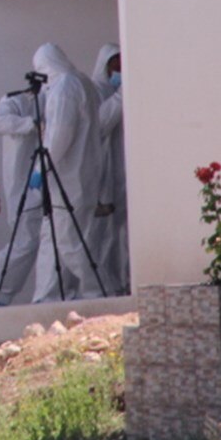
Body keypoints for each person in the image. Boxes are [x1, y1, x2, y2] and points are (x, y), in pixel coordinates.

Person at [30, 43, 104, 303]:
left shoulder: (64, 88)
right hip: (79, 174)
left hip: (70, 179)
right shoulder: (82, 82)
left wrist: (41, 167)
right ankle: (48, 296)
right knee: (54, 239)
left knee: (71, 242)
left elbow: (60, 135)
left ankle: (99, 291)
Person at [0, 89, 44, 307]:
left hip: (47, 183)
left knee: (53, 243)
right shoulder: (15, 101)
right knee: (24, 242)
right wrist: (31, 124)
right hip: (23, 188)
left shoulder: (56, 96)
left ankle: (51, 296)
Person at [90, 43, 129, 296]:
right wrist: (120, 97)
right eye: (116, 65)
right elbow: (101, 124)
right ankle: (107, 288)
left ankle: (125, 282)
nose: (120, 70)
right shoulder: (95, 91)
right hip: (103, 174)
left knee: (124, 234)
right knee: (105, 238)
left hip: (123, 173)